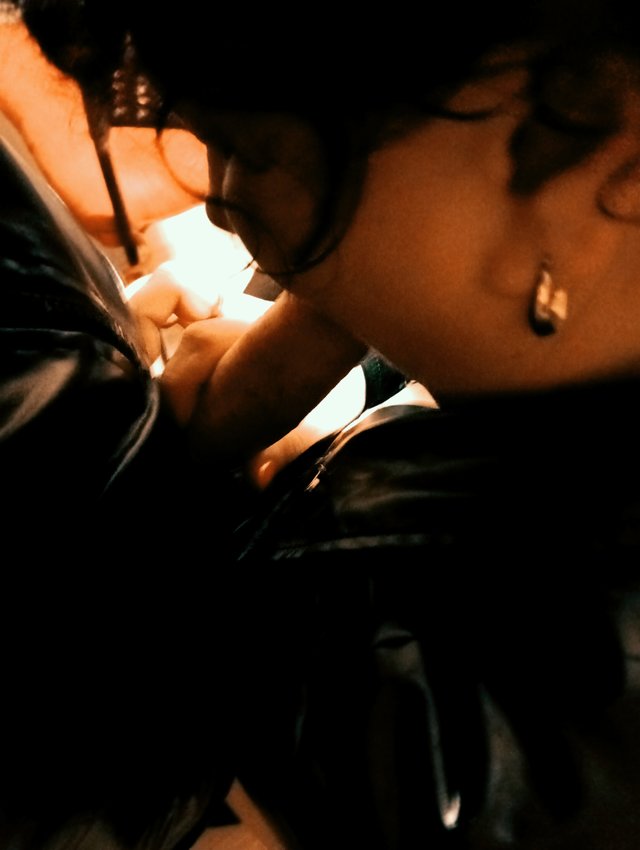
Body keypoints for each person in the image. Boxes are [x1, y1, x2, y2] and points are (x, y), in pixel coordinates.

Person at [9, 0, 640, 849]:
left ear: (573, 133)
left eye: (252, 150)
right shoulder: (568, 317)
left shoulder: (449, 724)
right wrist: (324, 370)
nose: (221, 207)